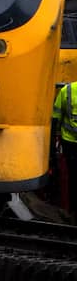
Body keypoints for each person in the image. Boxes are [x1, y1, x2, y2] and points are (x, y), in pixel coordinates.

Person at [54, 81, 77, 220]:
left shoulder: (67, 90)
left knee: (73, 178)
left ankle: (73, 212)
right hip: (69, 143)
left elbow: (56, 116)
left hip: (70, 143)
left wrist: (56, 138)